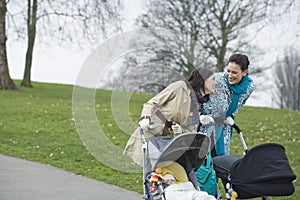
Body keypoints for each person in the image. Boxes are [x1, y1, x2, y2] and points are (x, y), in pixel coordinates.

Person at [123, 67, 216, 166]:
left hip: (169, 142)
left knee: (165, 174)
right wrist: (145, 118)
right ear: (203, 80)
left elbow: (189, 129)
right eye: (213, 79)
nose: (216, 83)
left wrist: (181, 131)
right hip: (152, 132)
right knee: (150, 171)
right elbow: (152, 103)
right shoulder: (180, 87)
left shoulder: (199, 104)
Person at [199, 53, 254, 156]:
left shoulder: (249, 87)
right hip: (205, 125)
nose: (230, 75)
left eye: (234, 72)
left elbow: (239, 104)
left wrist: (229, 116)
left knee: (221, 161)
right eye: (228, 71)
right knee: (202, 161)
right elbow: (196, 94)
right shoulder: (216, 80)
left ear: (244, 72)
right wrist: (199, 116)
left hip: (224, 127)